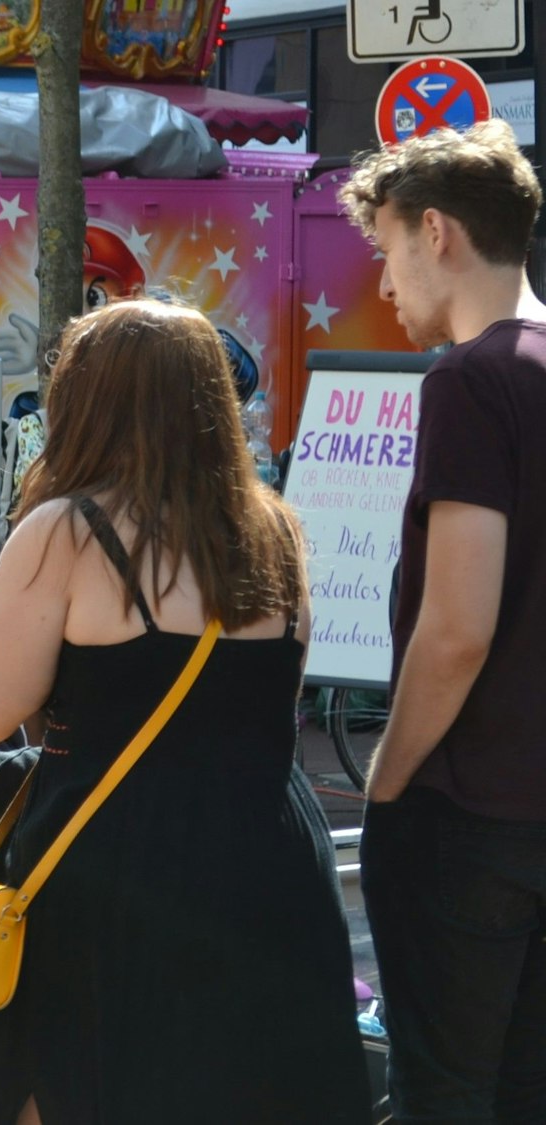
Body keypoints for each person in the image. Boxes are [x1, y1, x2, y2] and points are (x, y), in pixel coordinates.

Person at [0, 299, 367, 1123]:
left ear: (87, 402)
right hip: (269, 851)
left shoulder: (70, 531)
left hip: (118, 865)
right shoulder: (276, 532)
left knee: (82, 1084)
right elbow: (268, 707)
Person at [341, 118, 546, 1123]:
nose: (383, 285)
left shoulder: (471, 380)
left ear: (435, 232)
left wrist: (387, 780)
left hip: (469, 822)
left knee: (444, 1097)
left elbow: (455, 623)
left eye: (383, 250)